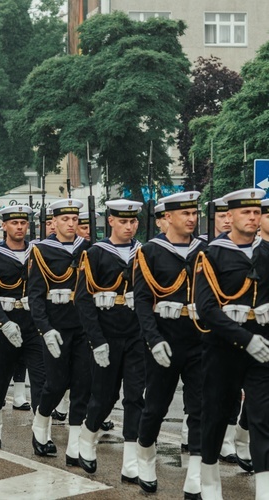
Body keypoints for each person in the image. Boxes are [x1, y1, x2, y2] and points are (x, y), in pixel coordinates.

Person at [194, 188, 269, 499]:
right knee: (216, 415)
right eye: (245, 213)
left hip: (262, 350)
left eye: (256, 213)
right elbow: (206, 308)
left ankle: (265, 489)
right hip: (223, 349)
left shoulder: (265, 253)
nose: (252, 218)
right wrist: (245, 338)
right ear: (230, 216)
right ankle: (209, 483)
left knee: (262, 418)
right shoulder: (211, 254)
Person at [132, 191, 205, 497]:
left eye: (194, 213)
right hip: (164, 338)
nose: (191, 219)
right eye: (185, 214)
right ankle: (146, 455)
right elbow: (142, 300)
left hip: (200, 337)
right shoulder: (149, 252)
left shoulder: (205, 250)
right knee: (156, 406)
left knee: (200, 407)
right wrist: (153, 339)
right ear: (168, 218)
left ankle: (197, 473)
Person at [75, 200, 145, 481]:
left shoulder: (144, 253)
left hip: (136, 335)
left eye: (133, 222)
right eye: (123, 221)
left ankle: (131, 461)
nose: (129, 226)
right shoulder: (95, 253)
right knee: (104, 396)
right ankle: (88, 434)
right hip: (107, 335)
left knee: (135, 397)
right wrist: (96, 340)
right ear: (111, 222)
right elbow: (83, 300)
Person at [27, 198, 90, 465]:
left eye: (75, 219)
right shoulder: (41, 250)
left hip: (83, 327)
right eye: (65, 219)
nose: (71, 224)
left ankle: (75, 444)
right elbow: (35, 296)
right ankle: (41, 423)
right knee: (55, 383)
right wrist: (45, 328)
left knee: (82, 385)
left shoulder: (87, 248)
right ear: (53, 222)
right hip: (56, 326)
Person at [0, 205, 46, 449]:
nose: (19, 227)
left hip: (32, 323)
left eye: (23, 223)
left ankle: (40, 435)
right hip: (4, 324)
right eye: (14, 223)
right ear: (3, 225)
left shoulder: (36, 253)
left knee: (41, 379)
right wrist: (3, 323)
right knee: (1, 376)